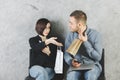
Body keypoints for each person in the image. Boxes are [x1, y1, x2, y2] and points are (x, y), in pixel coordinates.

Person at [64, 10, 103, 80]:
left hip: (92, 65)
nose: (69, 25)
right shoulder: (70, 35)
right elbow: (66, 54)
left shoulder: (96, 35)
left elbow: (98, 57)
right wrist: (71, 61)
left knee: (91, 76)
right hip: (76, 66)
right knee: (71, 77)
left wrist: (86, 42)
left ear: (79, 25)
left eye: (71, 23)